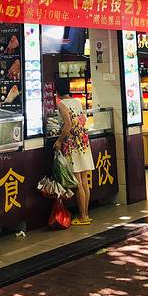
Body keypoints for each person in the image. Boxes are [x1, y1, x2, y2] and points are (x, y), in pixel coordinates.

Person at [53, 76, 94, 225]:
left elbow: (68, 125)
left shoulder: (61, 104)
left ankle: (82, 217)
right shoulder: (77, 102)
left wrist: (59, 141)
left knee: (78, 183)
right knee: (84, 181)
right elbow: (82, 120)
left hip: (72, 145)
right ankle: (86, 214)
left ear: (57, 90)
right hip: (83, 143)